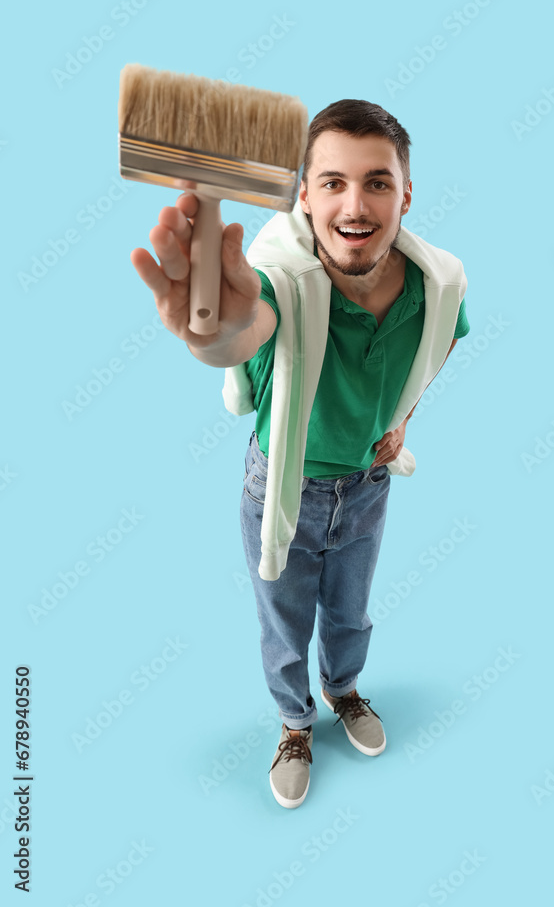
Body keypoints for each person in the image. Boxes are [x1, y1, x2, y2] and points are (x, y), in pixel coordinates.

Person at [130, 99, 469, 809]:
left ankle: (342, 689)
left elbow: (437, 348)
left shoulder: (437, 286)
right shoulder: (277, 279)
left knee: (350, 610)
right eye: (333, 182)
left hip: (368, 483)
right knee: (283, 620)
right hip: (284, 486)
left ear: (405, 194)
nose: (356, 202)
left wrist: (403, 416)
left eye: (377, 181)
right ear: (304, 195)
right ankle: (293, 723)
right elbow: (242, 328)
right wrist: (210, 331)